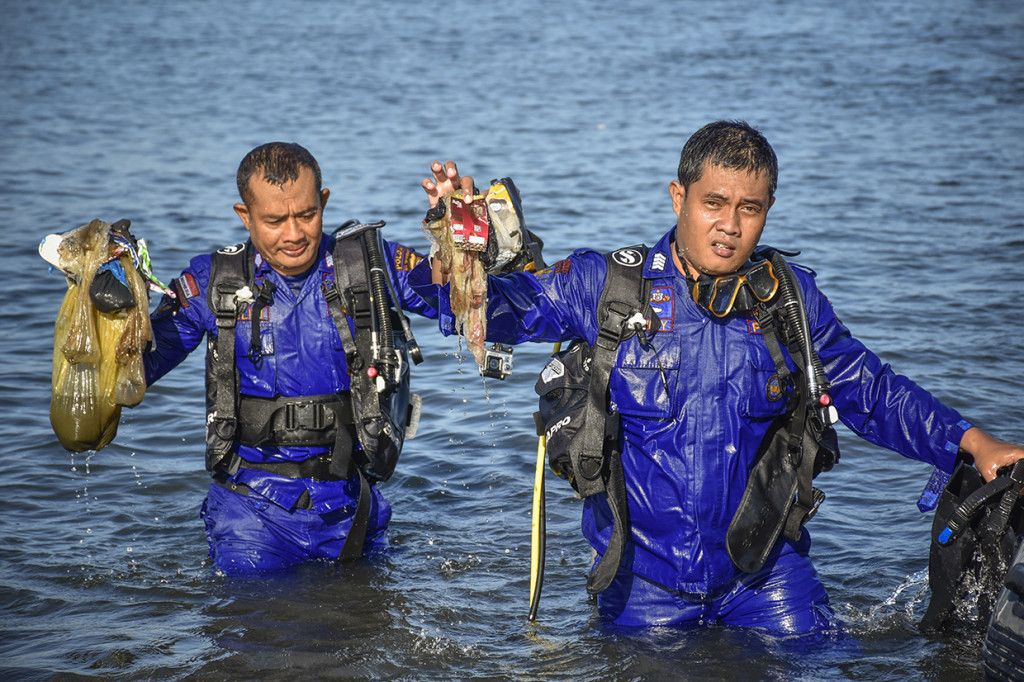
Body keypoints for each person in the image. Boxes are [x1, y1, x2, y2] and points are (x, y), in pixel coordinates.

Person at [412, 120, 1024, 634]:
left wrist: (971, 441)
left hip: (766, 576)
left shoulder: (791, 301)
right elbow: (493, 312)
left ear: (767, 211)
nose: (730, 225)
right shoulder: (607, 286)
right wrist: (456, 249)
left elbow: (870, 389)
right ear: (678, 197)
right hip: (643, 585)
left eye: (748, 208)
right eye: (714, 203)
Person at [144, 142, 438, 576]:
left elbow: (458, 302)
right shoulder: (212, 284)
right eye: (274, 220)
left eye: (306, 215)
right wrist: (112, 312)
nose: (294, 234)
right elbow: (131, 374)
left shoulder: (367, 267)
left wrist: (456, 238)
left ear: (323, 202)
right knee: (260, 632)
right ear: (245, 216)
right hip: (251, 516)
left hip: (351, 508)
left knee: (369, 635)